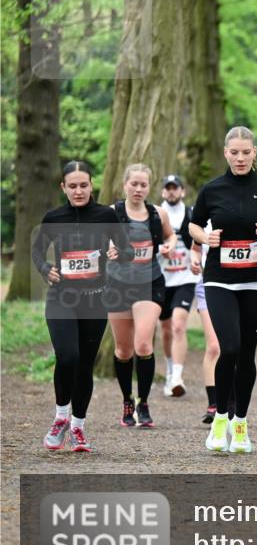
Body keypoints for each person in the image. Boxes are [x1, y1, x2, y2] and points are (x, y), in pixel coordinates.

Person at [188, 126, 257, 453]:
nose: (240, 158)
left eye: (245, 152)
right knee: (230, 348)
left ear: (255, 154)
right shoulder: (212, 189)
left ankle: (241, 425)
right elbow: (193, 225)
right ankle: (220, 418)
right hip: (219, 279)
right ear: (226, 153)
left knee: (248, 354)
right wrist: (203, 237)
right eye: (234, 152)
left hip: (255, 280)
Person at [34, 160, 134, 452]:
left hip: (94, 300)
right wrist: (45, 268)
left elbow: (127, 249)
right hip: (61, 298)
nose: (79, 191)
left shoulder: (106, 215)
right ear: (63, 188)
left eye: (84, 185)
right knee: (67, 356)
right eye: (73, 186)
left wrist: (120, 251)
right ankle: (60, 418)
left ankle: (78, 426)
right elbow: (37, 250)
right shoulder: (53, 217)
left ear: (92, 185)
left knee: (85, 365)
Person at [106, 163, 176, 429]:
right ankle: (127, 400)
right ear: (125, 184)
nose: (138, 189)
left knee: (143, 345)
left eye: (143, 185)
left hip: (150, 283)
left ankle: (143, 402)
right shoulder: (112, 213)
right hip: (118, 284)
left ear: (149, 187)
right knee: (123, 350)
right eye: (133, 183)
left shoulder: (158, 213)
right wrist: (109, 249)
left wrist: (168, 247)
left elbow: (169, 238)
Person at [157, 174, 200, 397]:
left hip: (186, 278)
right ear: (163, 192)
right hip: (161, 280)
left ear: (182, 191)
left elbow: (202, 243)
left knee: (178, 326)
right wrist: (161, 250)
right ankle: (169, 368)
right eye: (168, 188)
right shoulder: (155, 215)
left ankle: (177, 377)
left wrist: (197, 261)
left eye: (175, 188)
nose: (171, 192)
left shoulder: (192, 214)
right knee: (165, 331)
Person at [189, 233, 224, 424]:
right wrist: (195, 262)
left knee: (232, 347)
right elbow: (195, 249)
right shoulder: (202, 215)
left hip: (236, 284)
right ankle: (213, 404)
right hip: (207, 283)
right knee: (214, 347)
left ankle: (232, 401)